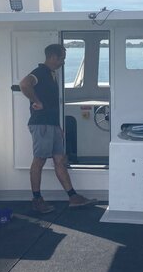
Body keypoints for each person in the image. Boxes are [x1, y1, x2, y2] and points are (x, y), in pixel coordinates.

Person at [19, 44, 95, 213]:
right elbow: (24, 84)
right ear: (53, 57)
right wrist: (36, 101)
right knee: (39, 161)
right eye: (62, 58)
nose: (63, 62)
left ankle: (73, 197)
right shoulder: (40, 72)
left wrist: (58, 126)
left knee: (60, 160)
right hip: (41, 124)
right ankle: (37, 199)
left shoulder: (51, 74)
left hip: (52, 125)